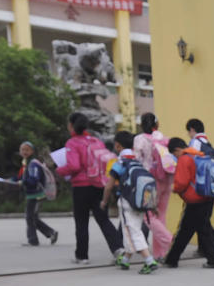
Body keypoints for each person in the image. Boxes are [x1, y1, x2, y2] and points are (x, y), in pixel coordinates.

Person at [55, 112, 124, 265]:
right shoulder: (96, 141)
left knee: (81, 222)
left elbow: (74, 166)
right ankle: (118, 248)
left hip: (81, 187)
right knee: (103, 219)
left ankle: (82, 255)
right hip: (99, 185)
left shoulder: (72, 143)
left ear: (71, 125)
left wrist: (60, 170)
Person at [100, 131, 159, 274]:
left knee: (132, 231)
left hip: (127, 202)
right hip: (140, 203)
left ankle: (149, 261)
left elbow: (109, 186)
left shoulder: (120, 163)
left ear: (118, 146)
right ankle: (125, 260)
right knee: (133, 229)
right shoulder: (137, 162)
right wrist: (153, 205)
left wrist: (104, 201)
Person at [163, 137, 214, 269]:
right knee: (202, 229)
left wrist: (174, 189)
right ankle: (212, 260)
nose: (175, 157)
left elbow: (182, 182)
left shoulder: (184, 158)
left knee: (185, 231)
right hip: (206, 196)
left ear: (177, 149)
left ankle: (172, 260)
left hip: (194, 200)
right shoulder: (198, 154)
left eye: (174, 154)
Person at [133, 112, 173, 260]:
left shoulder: (140, 139)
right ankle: (159, 253)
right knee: (160, 216)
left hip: (149, 182)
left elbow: (136, 160)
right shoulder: (162, 138)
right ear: (157, 124)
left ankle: (169, 241)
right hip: (166, 181)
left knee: (148, 216)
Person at [185, 117, 214, 252]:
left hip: (200, 185)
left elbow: (192, 160)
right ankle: (204, 248)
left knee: (199, 217)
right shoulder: (208, 142)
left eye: (189, 132)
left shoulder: (195, 142)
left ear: (192, 130)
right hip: (213, 184)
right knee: (204, 216)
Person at [13, 141, 57, 246]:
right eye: (22, 149)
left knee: (30, 217)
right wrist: (13, 180)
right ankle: (51, 233)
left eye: (27, 149)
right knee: (32, 217)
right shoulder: (26, 163)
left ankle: (33, 240)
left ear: (32, 151)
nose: (24, 152)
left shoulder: (33, 164)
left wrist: (23, 182)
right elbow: (22, 177)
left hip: (36, 195)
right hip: (32, 194)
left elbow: (34, 179)